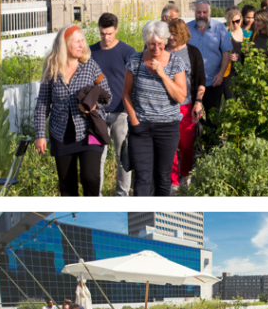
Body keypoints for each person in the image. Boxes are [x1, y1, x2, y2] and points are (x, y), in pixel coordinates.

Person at [33, 25, 112, 196]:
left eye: (82, 41)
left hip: (90, 131)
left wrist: (95, 106)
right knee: (67, 186)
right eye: (77, 41)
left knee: (90, 178)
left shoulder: (90, 65)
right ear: (65, 44)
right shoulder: (51, 70)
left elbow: (108, 95)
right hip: (61, 134)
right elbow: (42, 104)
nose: (81, 45)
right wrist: (40, 134)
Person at [122, 21, 189, 196]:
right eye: (152, 44)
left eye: (160, 44)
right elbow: (126, 94)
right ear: (146, 41)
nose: (156, 48)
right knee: (142, 179)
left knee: (163, 178)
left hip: (167, 128)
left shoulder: (176, 62)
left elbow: (180, 96)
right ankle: (141, 216)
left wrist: (162, 73)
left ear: (165, 41)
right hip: (141, 128)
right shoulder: (135, 61)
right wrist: (134, 121)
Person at [90, 13, 137, 197]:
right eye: (102, 33)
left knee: (123, 157)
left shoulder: (128, 52)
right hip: (96, 116)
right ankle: (96, 196)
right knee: (96, 158)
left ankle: (122, 195)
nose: (106, 37)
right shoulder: (90, 52)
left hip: (121, 114)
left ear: (116, 30)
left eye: (109, 33)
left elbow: (135, 83)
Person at [165, 19, 206, 192]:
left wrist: (198, 102)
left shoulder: (192, 52)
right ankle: (173, 182)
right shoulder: (163, 51)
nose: (171, 37)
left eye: (175, 34)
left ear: (182, 35)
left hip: (187, 105)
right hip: (166, 106)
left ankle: (186, 175)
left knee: (186, 145)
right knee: (170, 145)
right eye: (169, 34)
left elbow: (201, 80)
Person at [187, 0, 232, 141]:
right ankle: (196, 148)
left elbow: (226, 53)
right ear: (194, 12)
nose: (201, 15)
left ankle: (211, 148)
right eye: (199, 12)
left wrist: (221, 74)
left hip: (213, 81)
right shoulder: (186, 29)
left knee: (213, 118)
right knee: (192, 119)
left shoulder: (220, 28)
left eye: (204, 12)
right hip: (191, 83)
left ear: (210, 12)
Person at [222, 8, 245, 100]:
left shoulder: (248, 34)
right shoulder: (226, 35)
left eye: (237, 21)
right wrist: (228, 57)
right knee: (230, 101)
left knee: (243, 102)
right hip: (229, 73)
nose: (235, 24)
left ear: (241, 19)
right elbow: (218, 53)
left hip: (244, 73)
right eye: (232, 22)